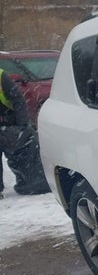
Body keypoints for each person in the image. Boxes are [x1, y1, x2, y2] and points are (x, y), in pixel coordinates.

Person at [0, 68, 50, 197]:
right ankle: (33, 183)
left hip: (9, 122)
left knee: (26, 145)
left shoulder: (1, 77)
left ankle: (34, 183)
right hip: (8, 124)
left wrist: (21, 126)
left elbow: (18, 101)